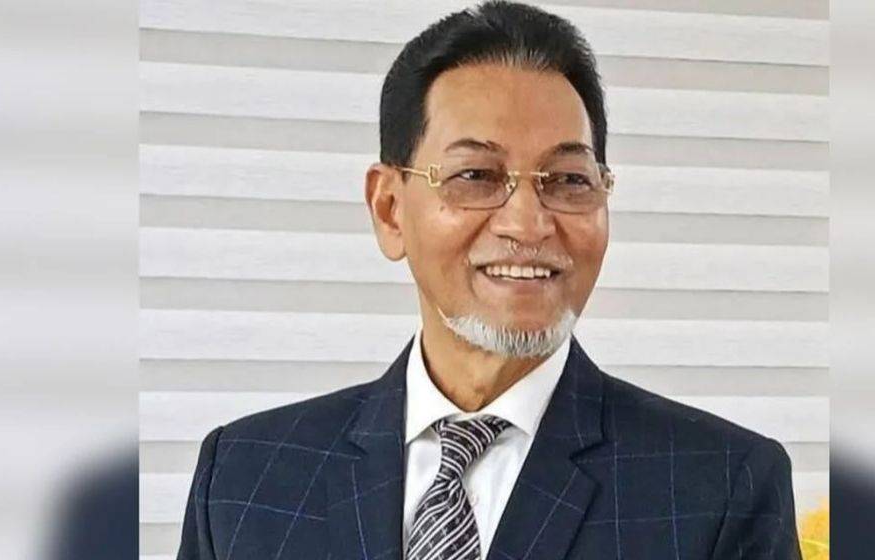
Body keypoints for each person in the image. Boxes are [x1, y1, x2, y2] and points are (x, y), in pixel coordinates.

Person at [176, 2, 801, 559]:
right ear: (389, 209)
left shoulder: (720, 487)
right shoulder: (245, 479)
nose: (527, 224)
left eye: (569, 180)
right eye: (475, 175)